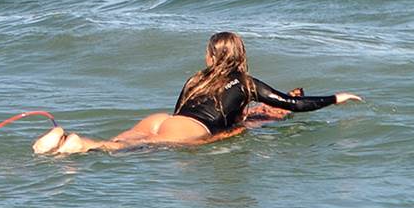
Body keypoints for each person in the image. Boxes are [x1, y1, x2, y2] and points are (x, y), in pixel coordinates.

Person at [33, 31, 359, 156]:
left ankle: (63, 141)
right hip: (192, 129)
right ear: (240, 54)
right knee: (124, 152)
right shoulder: (246, 83)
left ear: (210, 56)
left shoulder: (196, 79)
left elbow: (179, 111)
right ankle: (77, 145)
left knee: (124, 142)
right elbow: (291, 103)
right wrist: (335, 98)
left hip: (163, 119)